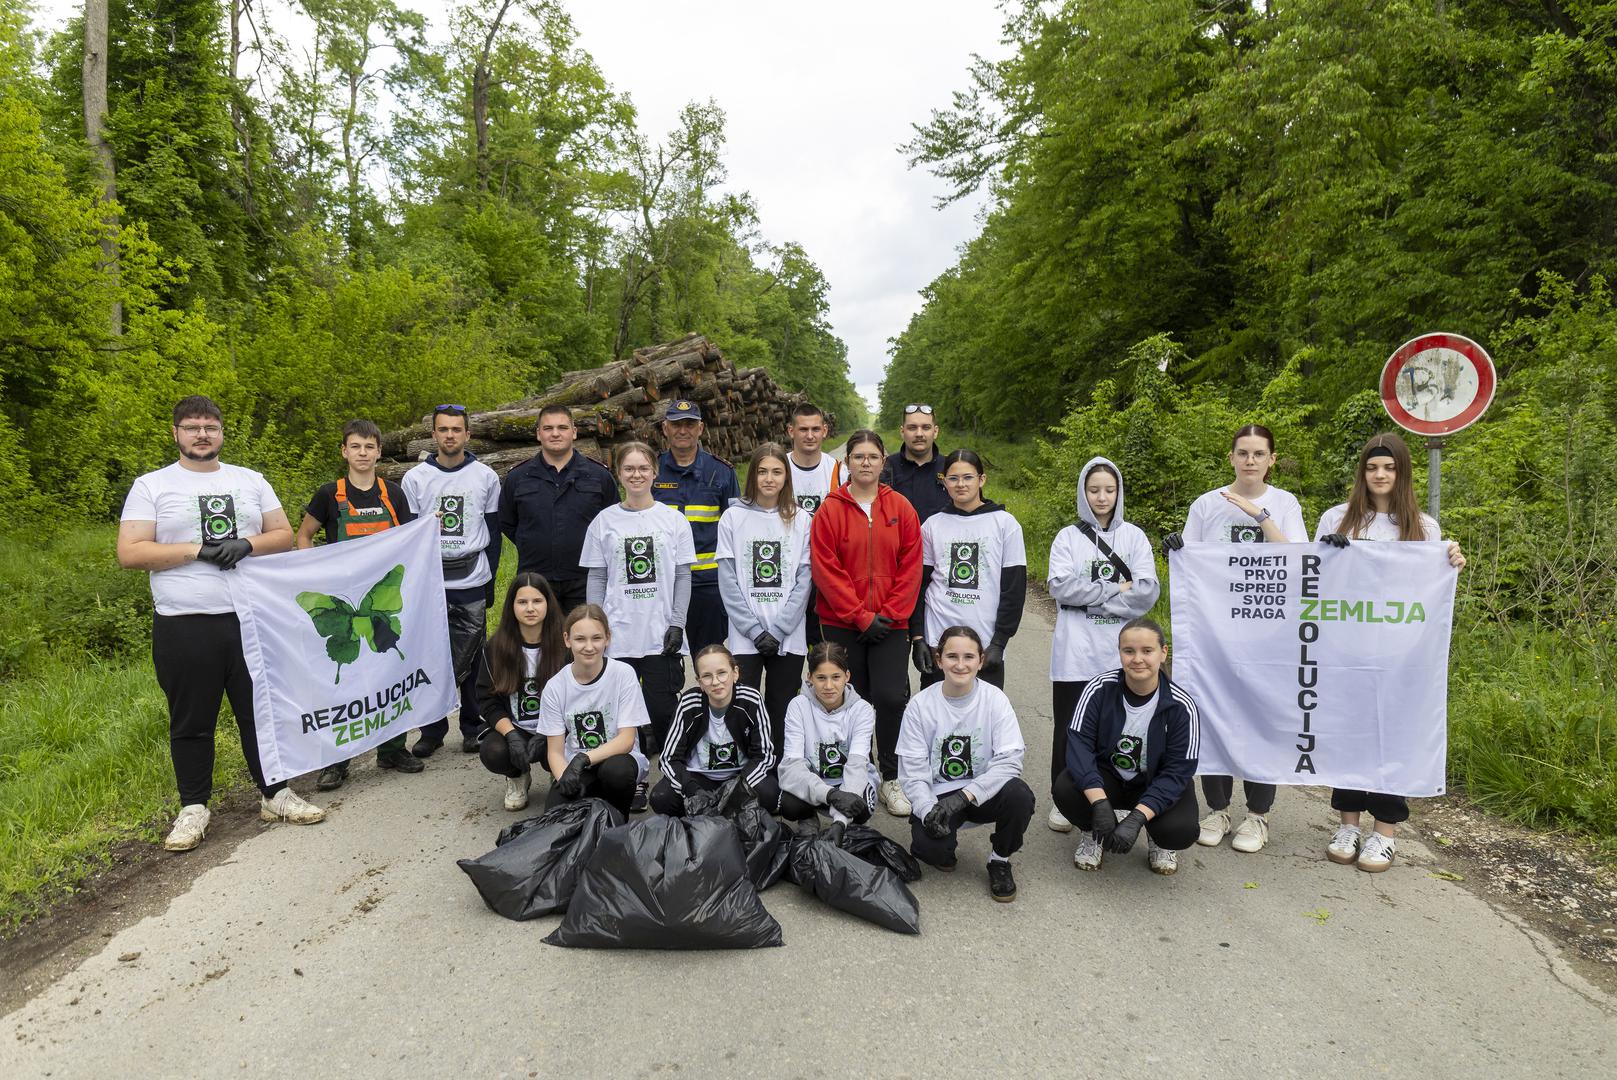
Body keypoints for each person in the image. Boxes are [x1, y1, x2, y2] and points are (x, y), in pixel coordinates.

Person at [117, 395, 323, 852]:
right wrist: (196, 550)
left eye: (210, 426)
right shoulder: (152, 485)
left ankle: (275, 793)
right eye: (192, 427)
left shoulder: (249, 480)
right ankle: (193, 808)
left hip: (250, 618)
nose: (202, 434)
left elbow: (284, 534)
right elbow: (131, 552)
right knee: (192, 719)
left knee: (260, 712)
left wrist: (247, 544)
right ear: (176, 434)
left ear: (222, 432)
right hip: (185, 621)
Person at [1316, 432, 1466, 873]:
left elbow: (1428, 588)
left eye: (1389, 467)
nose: (1379, 475)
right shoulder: (1337, 518)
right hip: (1347, 648)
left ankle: (1385, 832)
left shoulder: (1424, 527)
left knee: (1391, 735)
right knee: (1349, 732)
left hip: (1399, 654)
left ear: (1401, 473)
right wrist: (1327, 551)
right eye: (1371, 467)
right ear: (1362, 473)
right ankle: (1348, 823)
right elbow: (1315, 578)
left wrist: (1450, 560)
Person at [1162, 423, 1306, 853]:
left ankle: (1258, 817)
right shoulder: (1207, 504)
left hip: (1269, 632)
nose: (1250, 460)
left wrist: (1257, 515)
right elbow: (1191, 568)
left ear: (1271, 459)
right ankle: (1218, 809)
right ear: (1231, 457)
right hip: (1217, 634)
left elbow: (1298, 560)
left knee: (1262, 720)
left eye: (1259, 454)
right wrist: (1176, 548)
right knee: (1214, 716)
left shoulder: (1284, 503)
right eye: (1242, 453)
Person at [295, 419, 424, 789]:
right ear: (344, 451)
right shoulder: (329, 494)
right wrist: (314, 572)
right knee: (345, 678)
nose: (363, 453)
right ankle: (338, 760)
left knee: (389, 672)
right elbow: (304, 536)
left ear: (379, 451)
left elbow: (409, 543)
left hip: (381, 602)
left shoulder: (393, 494)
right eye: (355, 447)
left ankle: (392, 750)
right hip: (343, 603)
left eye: (369, 447)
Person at [810, 429, 923, 818]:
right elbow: (826, 569)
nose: (865, 463)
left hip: (891, 623)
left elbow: (911, 566)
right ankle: (857, 770)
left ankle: (892, 776)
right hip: (842, 622)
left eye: (872, 457)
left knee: (891, 698)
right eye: (858, 456)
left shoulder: (901, 508)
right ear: (847, 463)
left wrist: (888, 615)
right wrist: (860, 615)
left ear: (883, 461)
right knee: (848, 699)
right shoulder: (830, 508)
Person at [1044, 456, 1159, 832]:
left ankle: (1112, 799)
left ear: (1119, 492)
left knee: (1115, 731)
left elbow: (1146, 593)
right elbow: (1060, 587)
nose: (1102, 497)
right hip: (1075, 653)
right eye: (1094, 490)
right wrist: (1117, 588)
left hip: (1120, 655)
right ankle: (1063, 800)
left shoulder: (1134, 537)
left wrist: (1090, 595)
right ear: (1083, 492)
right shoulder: (1068, 537)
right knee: (1069, 729)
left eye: (1109, 490)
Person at [583, 441, 694, 811]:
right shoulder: (604, 522)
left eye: (642, 468)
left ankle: (669, 773)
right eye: (628, 469)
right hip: (618, 634)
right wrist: (595, 625)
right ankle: (634, 778)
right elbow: (597, 578)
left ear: (655, 471)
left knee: (662, 709)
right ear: (619, 474)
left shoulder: (673, 520)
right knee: (621, 714)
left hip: (659, 633)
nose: (636, 475)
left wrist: (677, 623)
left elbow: (683, 577)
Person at [1052, 618, 1201, 875]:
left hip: (1152, 782)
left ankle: (1159, 840)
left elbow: (1178, 771)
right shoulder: (1099, 689)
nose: (1137, 659)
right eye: (1129, 651)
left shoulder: (1181, 705)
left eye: (1147, 651)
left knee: (1180, 829)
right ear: (1119, 652)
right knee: (1065, 788)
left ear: (1163, 652)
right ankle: (1093, 834)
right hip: (1109, 777)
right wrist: (1098, 803)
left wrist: (1137, 818)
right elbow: (1078, 748)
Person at [896, 625, 1034, 902]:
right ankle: (944, 849)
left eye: (969, 657)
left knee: (1020, 795)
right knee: (929, 849)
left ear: (981, 661)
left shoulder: (995, 699)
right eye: (952, 657)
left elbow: (1009, 761)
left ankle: (1000, 860)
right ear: (939, 660)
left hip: (981, 792)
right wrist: (926, 810)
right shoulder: (920, 705)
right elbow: (912, 772)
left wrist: (966, 796)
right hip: (939, 798)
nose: (960, 665)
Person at [400, 404, 503, 756]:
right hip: (431, 579)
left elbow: (494, 531)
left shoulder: (485, 476)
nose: (449, 435)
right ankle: (432, 729)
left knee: (474, 657)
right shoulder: (415, 479)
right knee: (431, 655)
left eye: (456, 429)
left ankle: (473, 726)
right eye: (443, 429)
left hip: (472, 575)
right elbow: (410, 536)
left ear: (467, 435)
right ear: (433, 434)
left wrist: (489, 580)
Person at [717, 442, 812, 745]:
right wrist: (755, 630)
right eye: (762, 472)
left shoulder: (801, 519)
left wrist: (781, 628)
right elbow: (728, 580)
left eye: (776, 472)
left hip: (789, 634)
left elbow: (804, 579)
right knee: (742, 706)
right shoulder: (733, 517)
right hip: (746, 636)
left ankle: (780, 770)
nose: (769, 478)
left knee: (781, 706)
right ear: (752, 476)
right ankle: (748, 768)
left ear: (786, 477)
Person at [912, 449, 1026, 692]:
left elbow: (1013, 589)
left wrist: (999, 642)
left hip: (984, 644)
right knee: (934, 721)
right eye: (953, 478)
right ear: (943, 481)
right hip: (938, 644)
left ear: (981, 480)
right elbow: (918, 585)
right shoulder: (933, 525)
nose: (960, 484)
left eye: (968, 477)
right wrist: (919, 637)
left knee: (982, 723)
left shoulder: (1005, 524)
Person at [498, 404, 619, 615]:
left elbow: (614, 523)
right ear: (538, 434)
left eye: (562, 427)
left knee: (583, 643)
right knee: (538, 644)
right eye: (548, 428)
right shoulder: (518, 477)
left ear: (574, 432)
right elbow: (508, 522)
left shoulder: (598, 476)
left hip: (586, 579)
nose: (555, 433)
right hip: (535, 580)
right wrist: (535, 542)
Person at [535, 605, 649, 818]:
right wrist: (564, 777)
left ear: (608, 638)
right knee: (554, 815)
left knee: (617, 772)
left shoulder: (623, 674)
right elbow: (555, 751)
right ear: (567, 640)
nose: (589, 647)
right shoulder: (555, 686)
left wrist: (583, 758)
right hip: (577, 768)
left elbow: (626, 740)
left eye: (596, 638)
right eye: (580, 639)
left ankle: (618, 819)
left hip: (618, 760)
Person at [648, 645, 780, 816]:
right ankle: (692, 824)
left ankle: (736, 819)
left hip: (739, 777)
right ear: (700, 682)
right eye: (707, 676)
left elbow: (764, 756)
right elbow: (668, 759)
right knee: (661, 798)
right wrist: (692, 790)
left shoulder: (751, 700)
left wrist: (737, 787)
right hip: (698, 778)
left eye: (722, 673)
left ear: (735, 673)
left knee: (770, 793)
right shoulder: (689, 704)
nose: (716, 682)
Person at [653, 399, 741, 653]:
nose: (683, 430)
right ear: (665, 428)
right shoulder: (651, 470)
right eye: (676, 424)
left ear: (700, 428)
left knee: (709, 656)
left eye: (689, 424)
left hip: (707, 584)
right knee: (663, 658)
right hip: (663, 583)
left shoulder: (722, 472)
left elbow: (735, 530)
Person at [475, 573, 567, 811]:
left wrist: (550, 734)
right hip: (517, 729)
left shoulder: (565, 644)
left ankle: (558, 771)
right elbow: (487, 700)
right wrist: (511, 735)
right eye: (522, 602)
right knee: (493, 751)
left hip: (559, 730)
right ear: (511, 606)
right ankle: (517, 777)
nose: (530, 609)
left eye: (537, 601)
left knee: (561, 753)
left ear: (548, 603)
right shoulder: (496, 648)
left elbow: (581, 697)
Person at [778, 641, 879, 824]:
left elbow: (857, 765)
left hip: (849, 785)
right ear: (809, 677)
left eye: (836, 677)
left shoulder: (862, 709)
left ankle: (849, 828)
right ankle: (808, 820)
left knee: (862, 807)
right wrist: (831, 795)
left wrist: (840, 822)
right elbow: (791, 768)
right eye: (821, 678)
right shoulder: (798, 706)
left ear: (847, 676)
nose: (829, 686)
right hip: (816, 786)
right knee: (789, 804)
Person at [786, 402, 840, 646]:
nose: (810, 435)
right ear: (791, 431)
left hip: (826, 571)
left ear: (825, 431)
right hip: (788, 571)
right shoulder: (778, 468)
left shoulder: (839, 470)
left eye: (815, 429)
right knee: (789, 649)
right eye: (803, 429)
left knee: (824, 650)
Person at [881, 403, 950, 523]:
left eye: (926, 427)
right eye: (912, 428)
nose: (919, 434)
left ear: (935, 431)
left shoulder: (950, 468)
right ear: (902, 432)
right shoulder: (885, 467)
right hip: (899, 541)